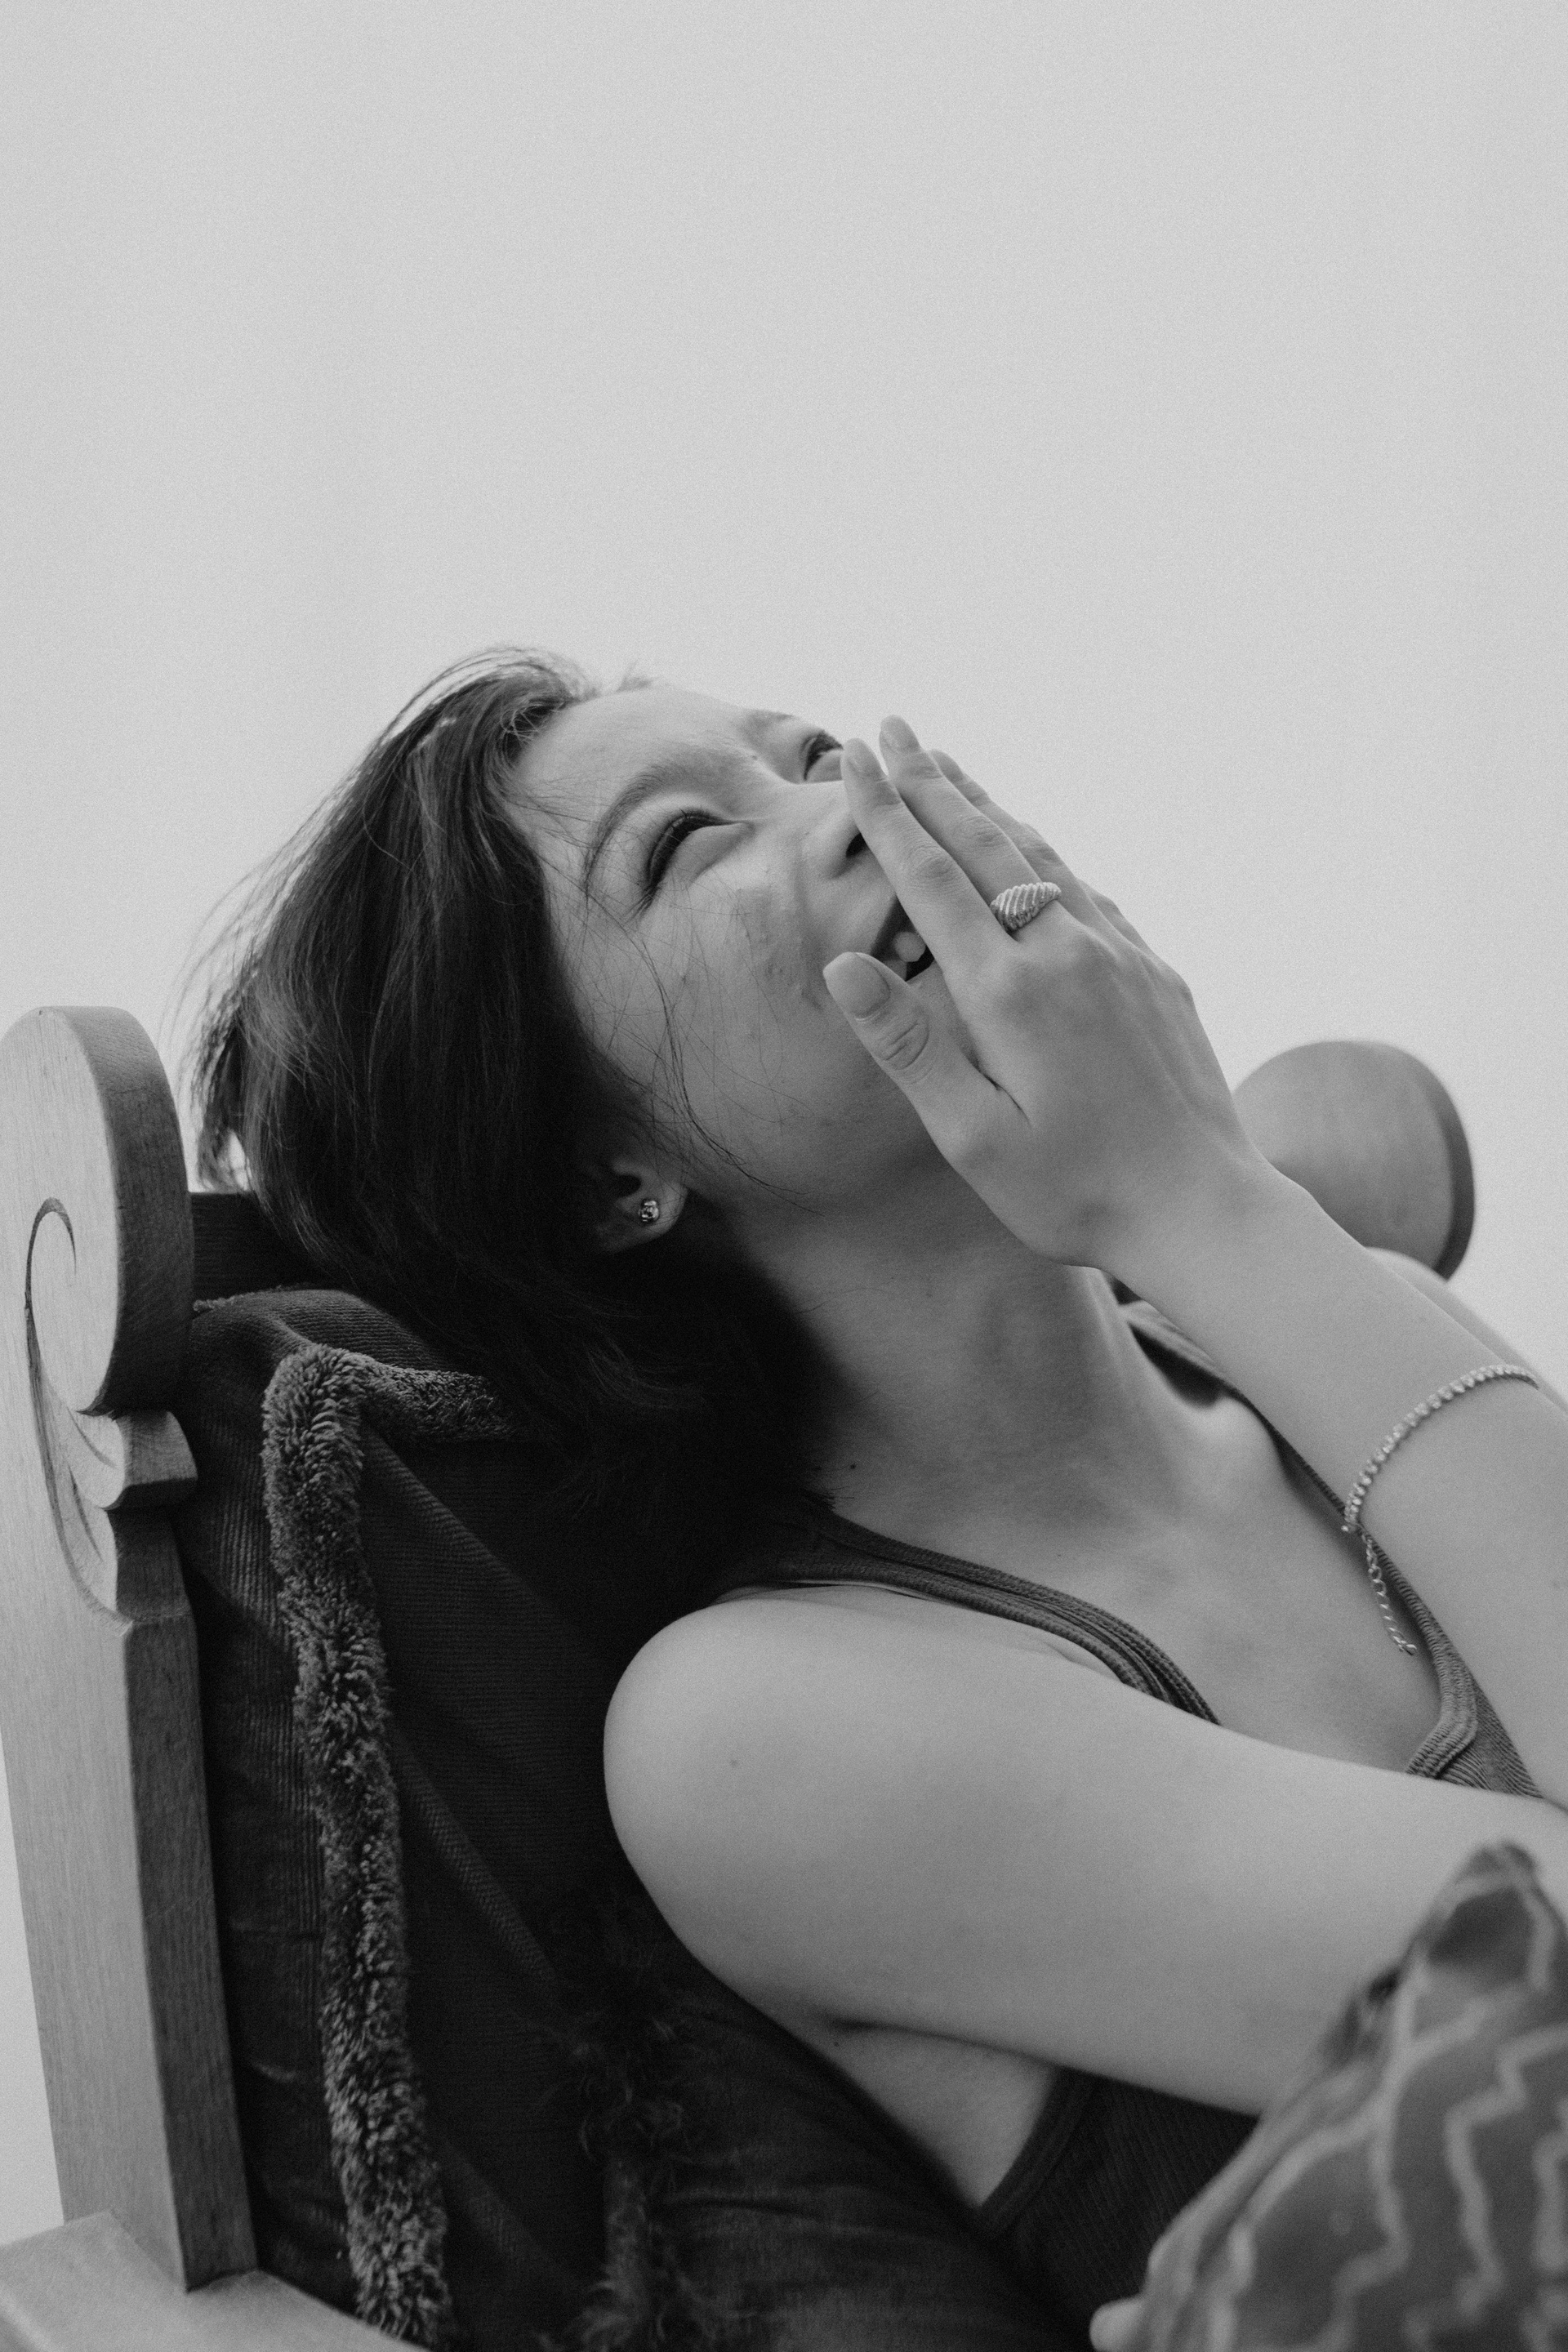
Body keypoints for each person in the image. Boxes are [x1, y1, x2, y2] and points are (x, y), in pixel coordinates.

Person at [196, 650, 1568, 2344]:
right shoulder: (753, 1732)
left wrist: (1218, 1211)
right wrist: (1190, 1190)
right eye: (688, 846)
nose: (857, 805)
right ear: (607, 1177)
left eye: (816, 752)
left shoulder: (1355, 1332)